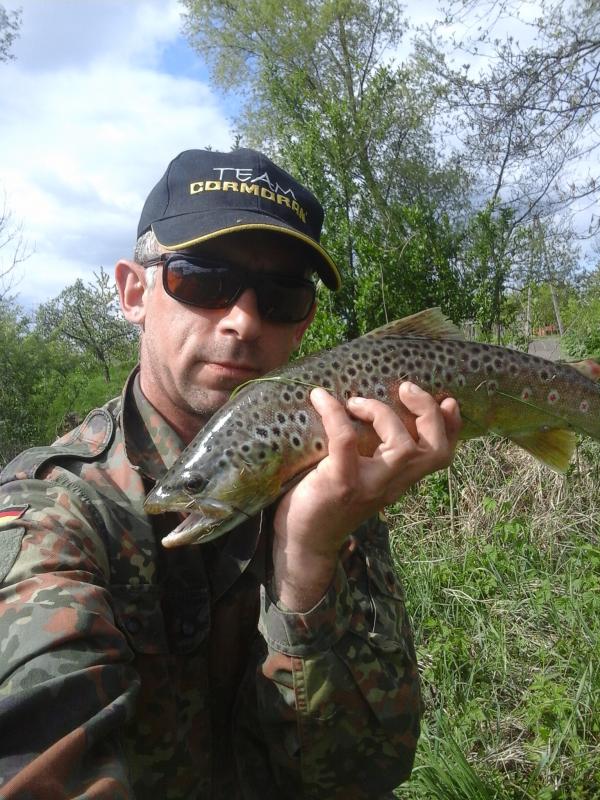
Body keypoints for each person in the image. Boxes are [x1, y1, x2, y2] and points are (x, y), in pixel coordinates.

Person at [0, 148, 461, 799]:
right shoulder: (54, 509)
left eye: (281, 295)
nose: (244, 320)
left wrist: (307, 559)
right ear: (134, 292)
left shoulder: (334, 471)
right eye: (201, 279)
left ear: (303, 321)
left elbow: (369, 771)